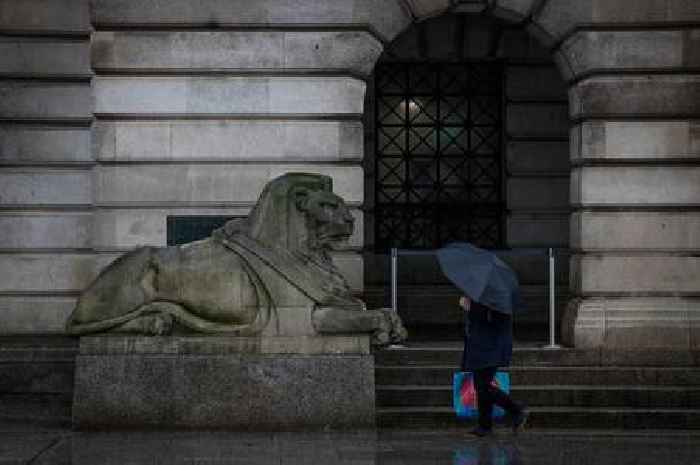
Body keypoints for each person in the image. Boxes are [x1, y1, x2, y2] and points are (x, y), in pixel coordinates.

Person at [460, 295, 529, 437]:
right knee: (481, 385)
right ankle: (484, 425)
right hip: (483, 346)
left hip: (491, 347)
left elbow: (491, 319)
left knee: (484, 386)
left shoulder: (496, 297)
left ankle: (516, 410)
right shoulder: (485, 294)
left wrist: (470, 308)